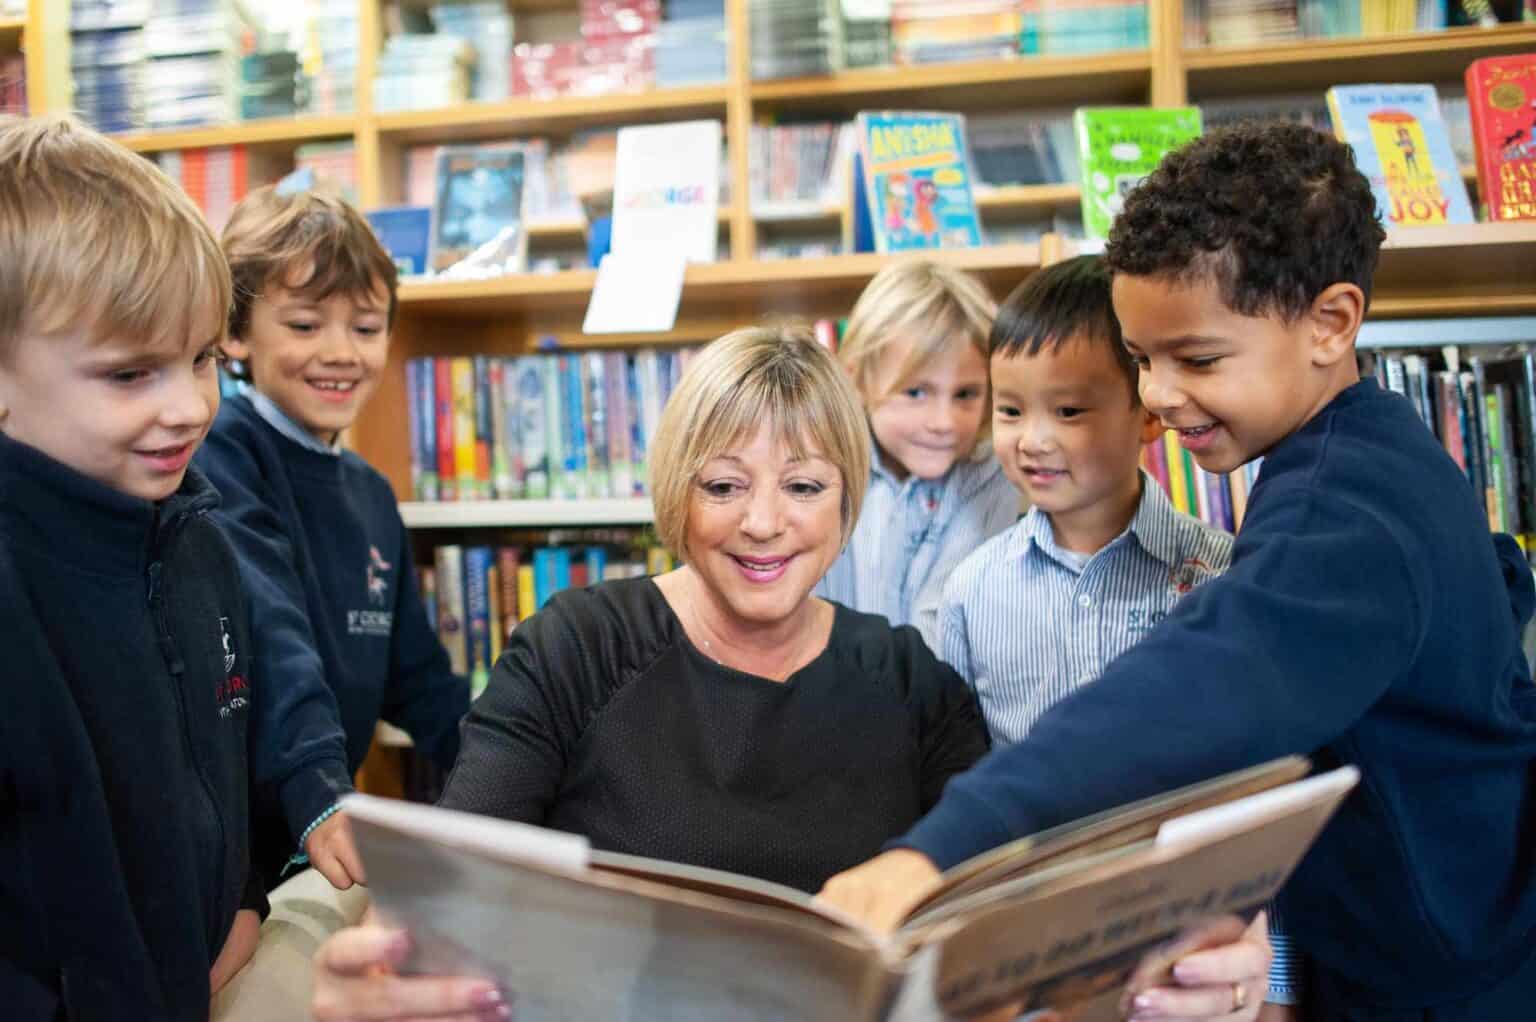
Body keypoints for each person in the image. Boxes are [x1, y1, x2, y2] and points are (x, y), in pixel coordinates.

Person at [307, 326, 1268, 1021]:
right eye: (725, 486)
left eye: (804, 487)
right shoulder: (578, 645)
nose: (765, 523)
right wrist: (388, 974)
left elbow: (1005, 914)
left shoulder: (906, 679)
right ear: (674, 495)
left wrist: (1161, 964)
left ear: (847, 502)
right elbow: (454, 883)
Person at [820, 121, 1536, 1020]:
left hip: (1438, 982)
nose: (1158, 394)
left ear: (1331, 322)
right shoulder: (1376, 451)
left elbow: (1201, 682)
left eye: (1196, 359)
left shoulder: (1340, 508)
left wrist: (938, 851)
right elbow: (1500, 580)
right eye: (1142, 360)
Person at [941, 254, 1306, 1016]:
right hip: (1034, 941)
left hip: (1190, 936)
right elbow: (968, 775)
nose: (1033, 440)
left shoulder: (1222, 577)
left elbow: (1264, 785)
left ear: (1147, 411)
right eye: (1010, 412)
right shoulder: (972, 591)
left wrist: (1271, 989)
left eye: (1069, 412)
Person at [0, 114, 264, 1018]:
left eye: (204, 359)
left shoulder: (197, 542)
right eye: (128, 375)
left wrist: (243, 892)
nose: (191, 406)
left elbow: (219, 766)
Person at [195, 185, 469, 893]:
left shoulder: (371, 494)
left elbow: (422, 684)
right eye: (306, 325)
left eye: (367, 327)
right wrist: (320, 788)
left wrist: (531, 775)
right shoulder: (219, 451)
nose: (341, 353)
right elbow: (272, 633)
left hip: (317, 837)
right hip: (237, 849)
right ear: (234, 334)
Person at [816, 260, 1020, 650]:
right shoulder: (823, 468)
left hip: (938, 693)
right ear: (858, 378)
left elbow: (946, 619)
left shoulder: (990, 473)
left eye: (965, 394)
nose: (943, 421)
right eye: (916, 393)